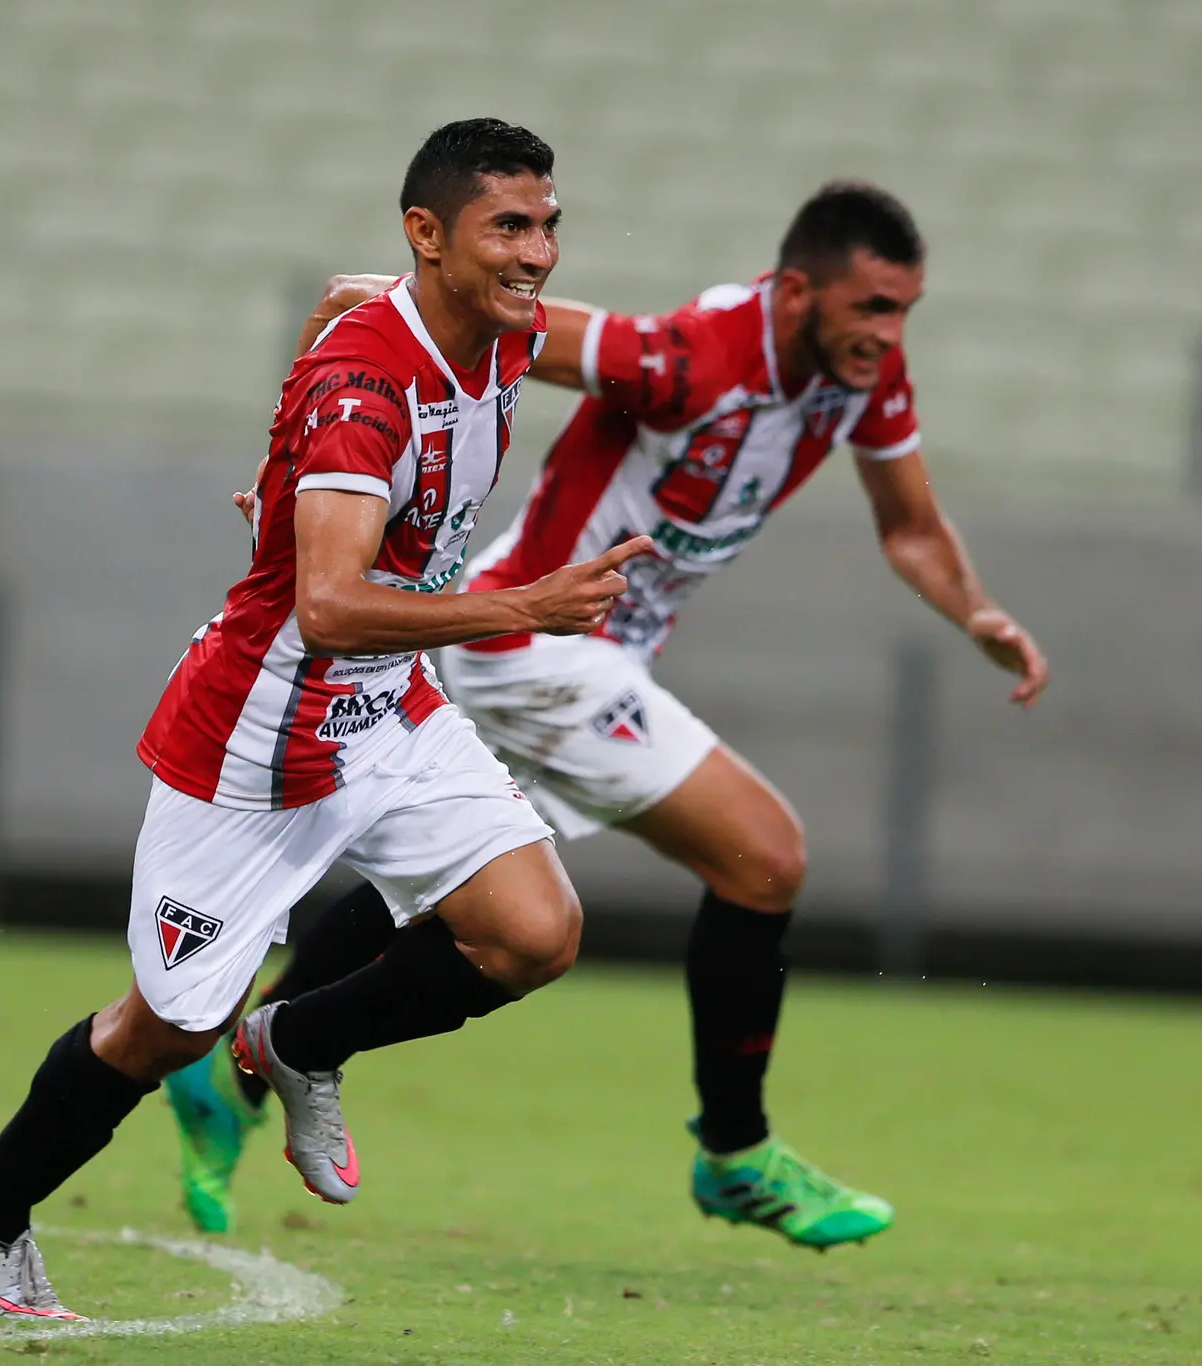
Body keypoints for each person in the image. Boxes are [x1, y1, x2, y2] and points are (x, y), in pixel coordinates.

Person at [167, 180, 1051, 1252]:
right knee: (763, 857)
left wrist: (978, 611)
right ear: (795, 293)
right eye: (871, 306)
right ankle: (735, 1153)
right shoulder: (694, 359)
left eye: (903, 310)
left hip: (584, 650)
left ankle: (229, 1080)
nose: (888, 333)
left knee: (454, 888)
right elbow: (464, 314)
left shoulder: (859, 375)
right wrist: (324, 396)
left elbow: (908, 525)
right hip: (532, 642)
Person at [0, 117, 654, 1320]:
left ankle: (298, 1041)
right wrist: (522, 604)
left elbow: (344, 302)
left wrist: (288, 471)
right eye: (508, 228)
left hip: (390, 709)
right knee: (164, 1031)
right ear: (427, 233)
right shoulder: (366, 386)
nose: (537, 253)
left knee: (532, 933)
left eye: (546, 225)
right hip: (258, 737)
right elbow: (325, 606)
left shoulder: (493, 329)